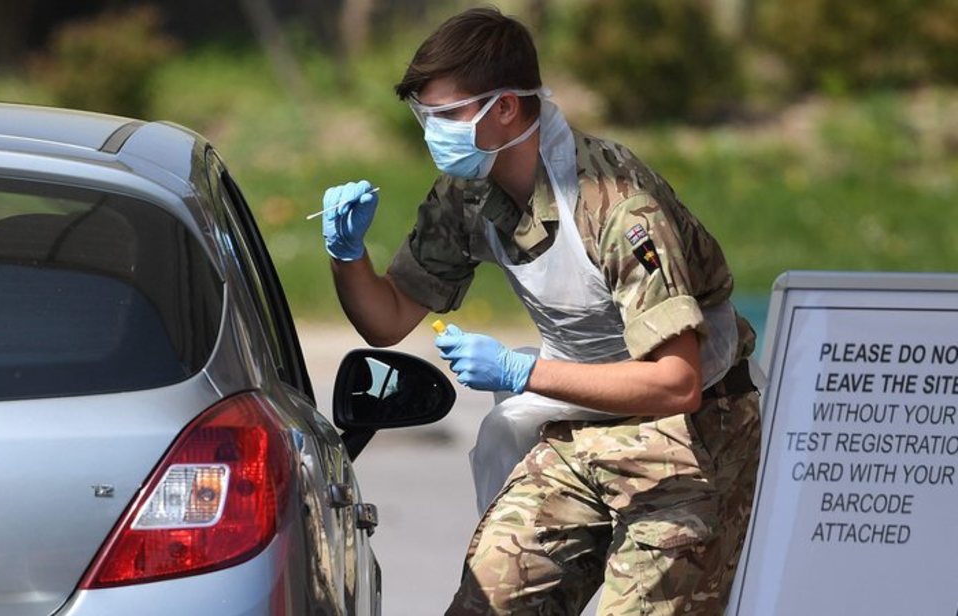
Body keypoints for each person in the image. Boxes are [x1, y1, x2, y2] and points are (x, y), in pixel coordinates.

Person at [319, 7, 761, 615]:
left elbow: (676, 381)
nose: (431, 133)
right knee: (489, 600)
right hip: (579, 425)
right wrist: (348, 256)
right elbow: (387, 318)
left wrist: (519, 373)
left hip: (692, 439)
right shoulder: (468, 193)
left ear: (504, 108)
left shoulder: (617, 206)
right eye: (424, 116)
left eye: (446, 116)